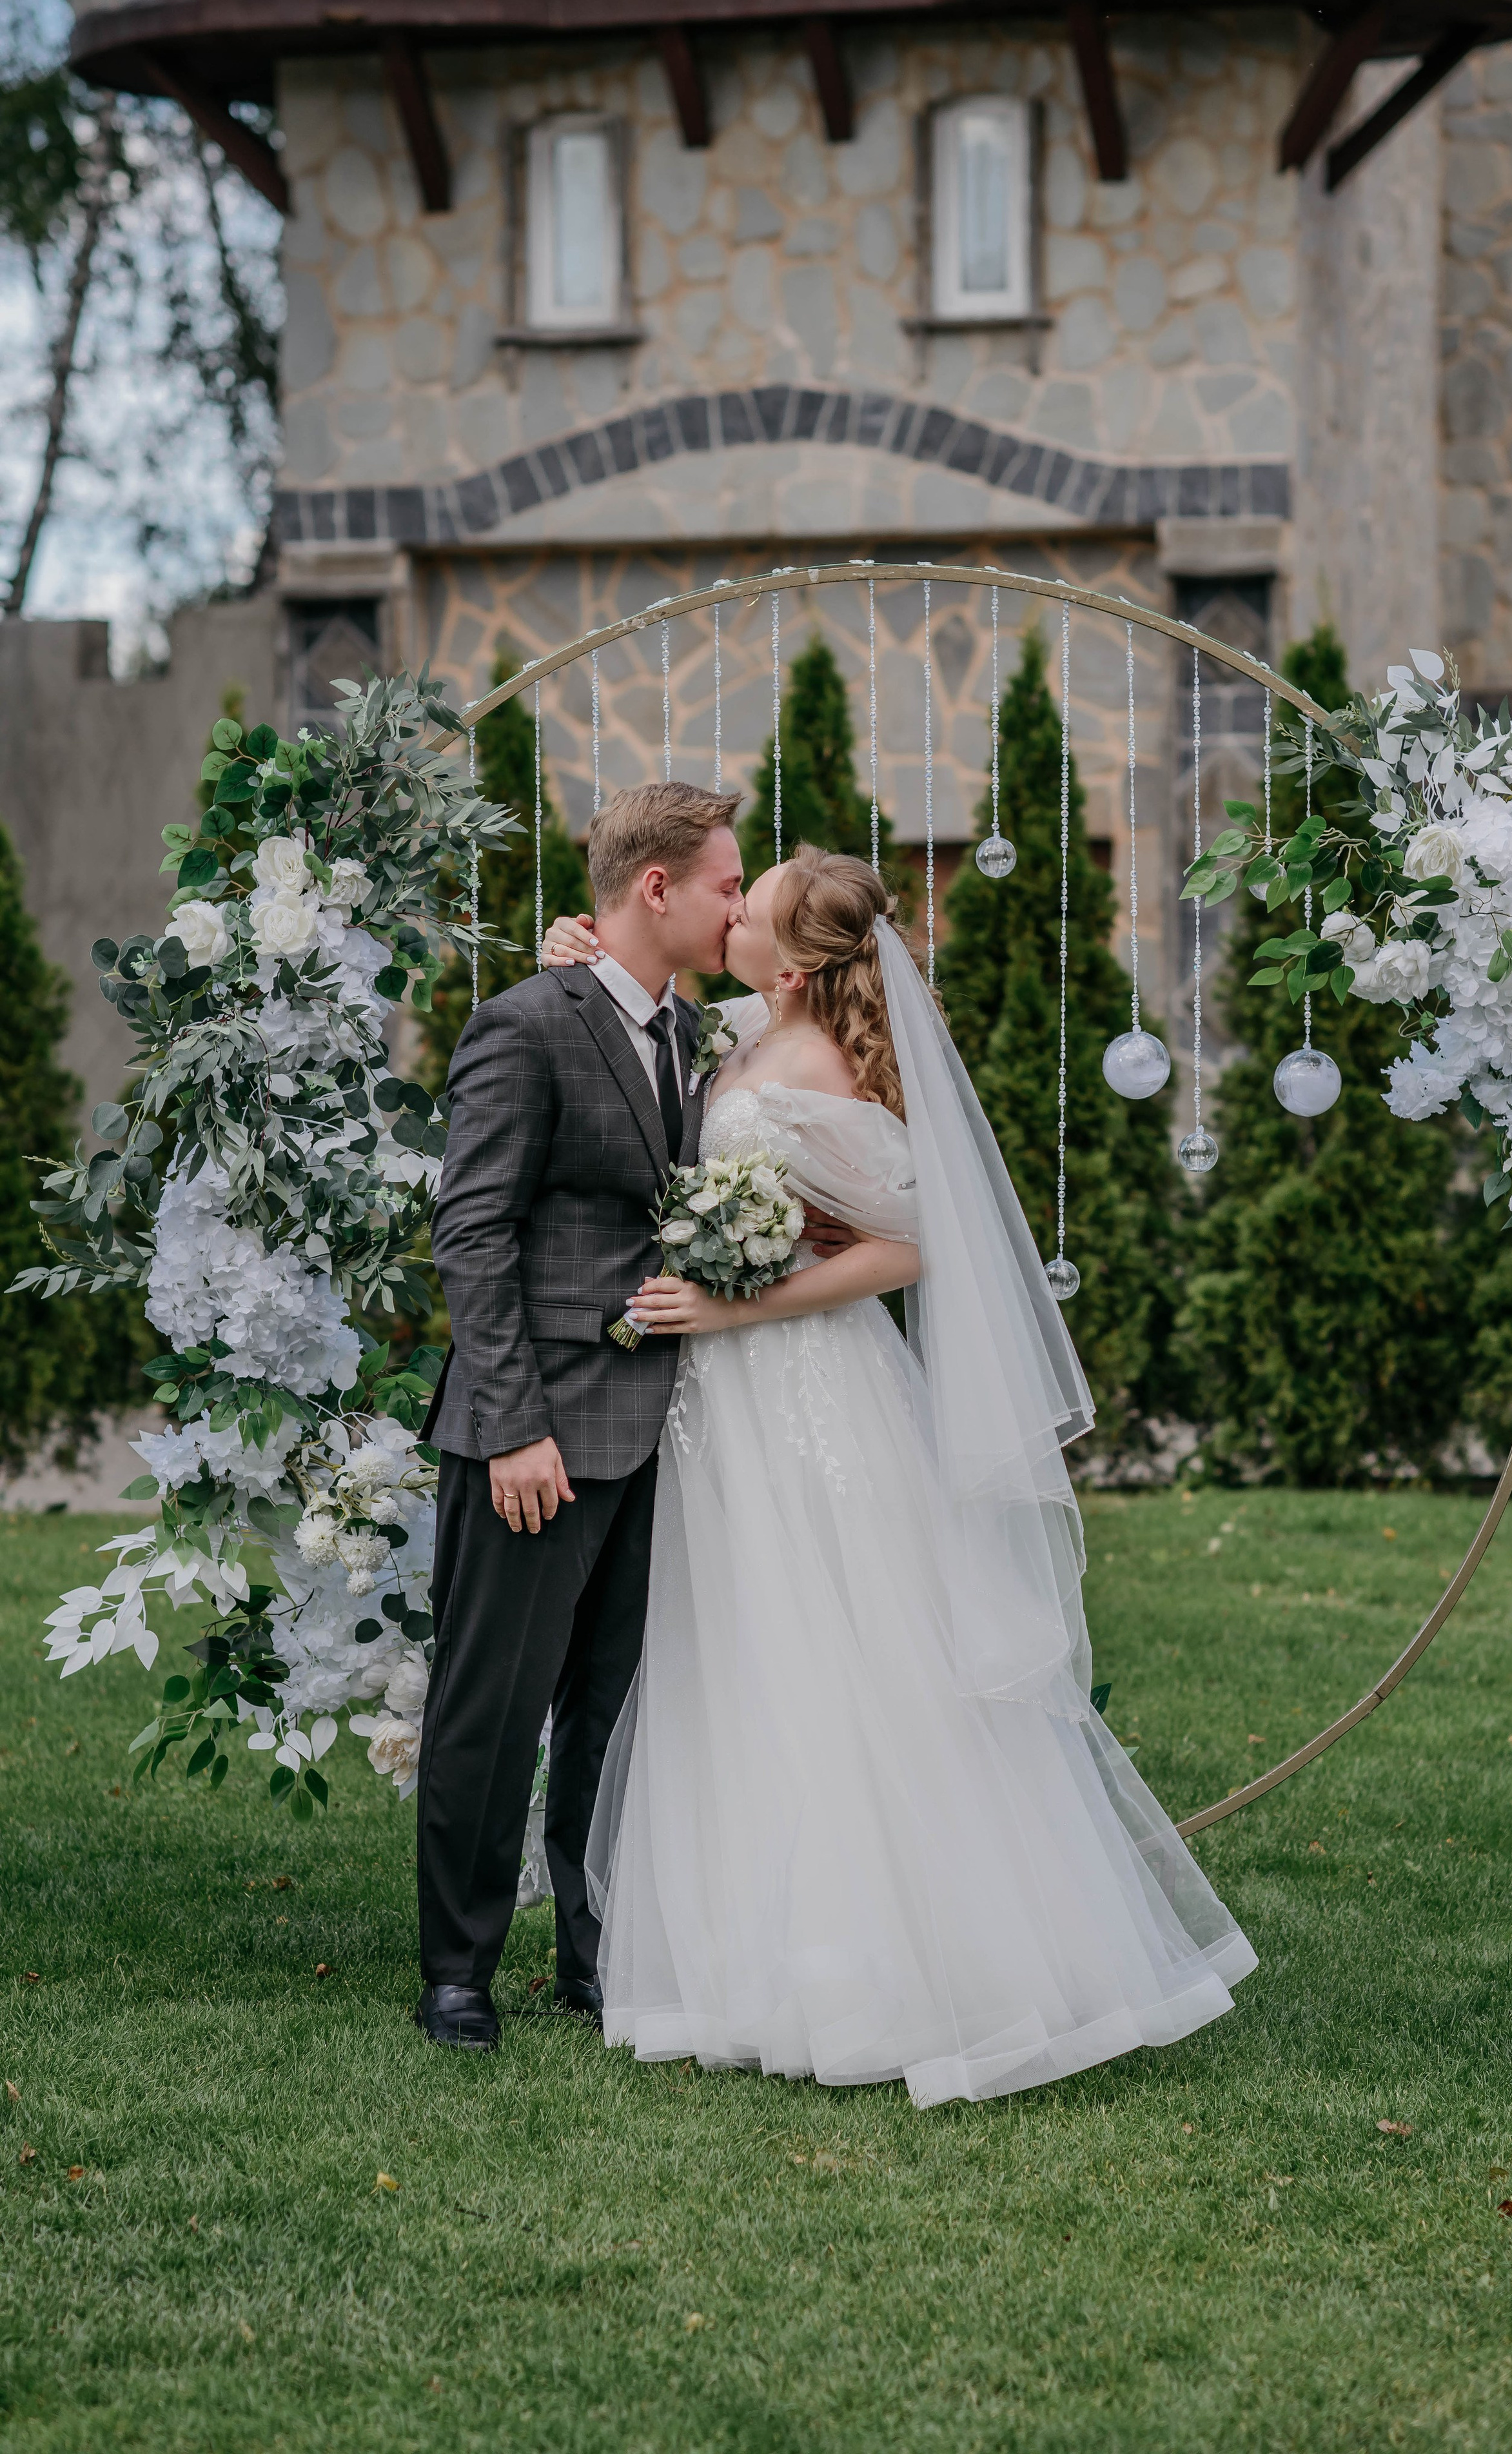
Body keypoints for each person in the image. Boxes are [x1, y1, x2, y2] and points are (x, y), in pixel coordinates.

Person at [542, 847, 1255, 2107]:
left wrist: (731, 1309)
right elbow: (656, 1040)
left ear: (798, 956)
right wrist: (589, 960)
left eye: (747, 908)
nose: (729, 914)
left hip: (807, 1386)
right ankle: (747, 1955)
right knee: (737, 1646)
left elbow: (907, 1244)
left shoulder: (817, 1065)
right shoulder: (754, 1030)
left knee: (843, 1646)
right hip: (727, 1407)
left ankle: (892, 1967)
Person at [414, 782, 751, 2050]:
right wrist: (508, 1426)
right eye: (724, 883)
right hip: (537, 1433)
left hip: (665, 1430)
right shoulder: (524, 1024)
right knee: (492, 1707)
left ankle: (594, 1953)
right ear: (653, 888)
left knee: (615, 1712)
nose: (737, 903)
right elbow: (472, 1227)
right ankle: (457, 1967)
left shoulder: (698, 1033)